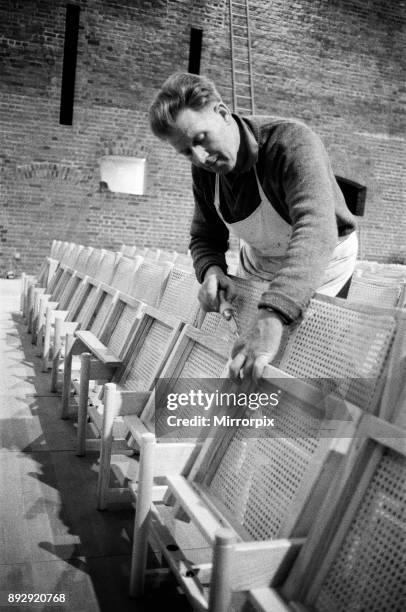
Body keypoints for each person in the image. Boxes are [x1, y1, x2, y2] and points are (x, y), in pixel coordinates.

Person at [149, 72, 358, 382]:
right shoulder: (205, 172)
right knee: (246, 355)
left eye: (201, 139)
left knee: (301, 362)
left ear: (221, 113)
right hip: (260, 259)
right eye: (186, 152)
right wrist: (211, 271)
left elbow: (315, 230)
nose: (201, 157)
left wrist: (273, 315)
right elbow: (205, 236)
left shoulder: (291, 143)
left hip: (320, 258)